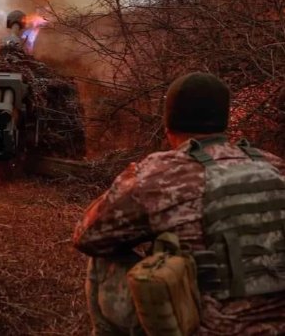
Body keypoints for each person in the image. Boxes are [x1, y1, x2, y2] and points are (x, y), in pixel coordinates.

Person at [74, 72, 285, 335]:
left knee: (104, 257)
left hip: (207, 329)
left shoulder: (161, 173)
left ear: (168, 127)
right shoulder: (273, 165)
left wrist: (133, 183)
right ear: (224, 122)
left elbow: (87, 236)